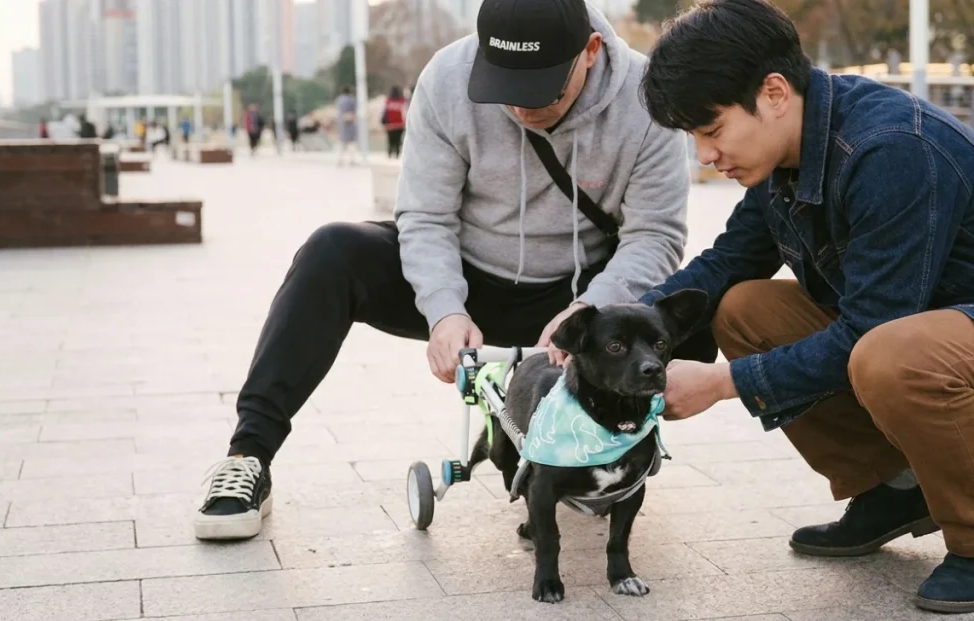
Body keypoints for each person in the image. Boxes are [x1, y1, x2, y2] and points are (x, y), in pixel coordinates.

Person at [193, 0, 715, 542]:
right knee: (331, 251)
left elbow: (654, 235)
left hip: (581, 300)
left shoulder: (645, 96)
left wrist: (591, 310)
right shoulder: (447, 76)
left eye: (542, 93)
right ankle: (247, 456)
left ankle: (619, 449)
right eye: (505, 91)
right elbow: (425, 215)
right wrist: (443, 309)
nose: (523, 110)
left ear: (590, 51)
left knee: (702, 311)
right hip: (469, 279)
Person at [635, 0, 974, 613]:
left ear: (773, 92)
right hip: (924, 338)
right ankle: (895, 487)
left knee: (890, 354)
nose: (706, 155)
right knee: (743, 308)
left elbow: (874, 327)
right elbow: (728, 263)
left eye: (711, 130)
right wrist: (616, 321)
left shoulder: (891, 149)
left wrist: (721, 381)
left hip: (938, 343)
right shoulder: (782, 155)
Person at [381, 85, 408, 158]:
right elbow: (405, 112)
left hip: (390, 125)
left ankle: (389, 154)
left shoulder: (388, 101)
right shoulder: (402, 101)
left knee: (390, 140)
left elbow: (384, 112)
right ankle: (397, 154)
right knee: (398, 140)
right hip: (400, 124)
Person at [335, 86, 358, 166]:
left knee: (341, 142)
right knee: (351, 143)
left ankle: (339, 160)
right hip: (350, 122)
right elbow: (355, 110)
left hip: (341, 123)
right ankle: (352, 160)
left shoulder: (339, 100)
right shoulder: (352, 99)